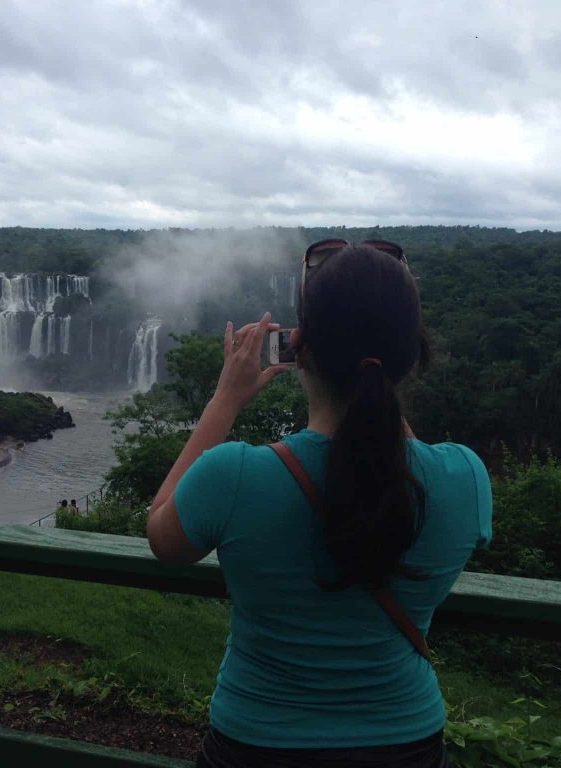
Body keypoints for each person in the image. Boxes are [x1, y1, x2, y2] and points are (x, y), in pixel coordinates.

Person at [146, 241, 492, 768]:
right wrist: (378, 386)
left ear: (297, 347)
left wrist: (225, 399)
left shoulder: (234, 476)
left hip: (255, 747)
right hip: (407, 748)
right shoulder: (464, 478)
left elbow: (161, 534)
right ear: (411, 356)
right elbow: (389, 460)